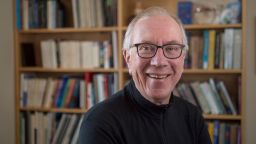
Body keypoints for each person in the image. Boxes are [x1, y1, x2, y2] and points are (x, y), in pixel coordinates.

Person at [79, 7, 211, 144]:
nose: (159, 62)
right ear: (128, 58)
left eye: (171, 48)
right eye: (146, 48)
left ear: (183, 58)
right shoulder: (100, 122)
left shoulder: (192, 116)